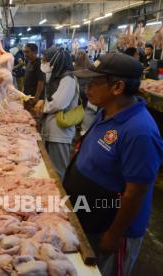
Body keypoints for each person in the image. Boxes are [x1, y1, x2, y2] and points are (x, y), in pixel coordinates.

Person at [64, 53, 163, 276]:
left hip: (110, 227)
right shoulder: (106, 112)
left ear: (118, 87)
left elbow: (135, 193)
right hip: (89, 215)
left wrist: (114, 235)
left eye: (95, 82)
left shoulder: (140, 132)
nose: (87, 88)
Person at [33, 48, 79, 180]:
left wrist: (43, 106)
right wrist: (44, 101)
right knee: (49, 168)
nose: (43, 63)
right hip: (51, 130)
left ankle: (60, 198)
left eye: (45, 60)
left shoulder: (68, 78)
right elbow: (53, 98)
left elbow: (59, 103)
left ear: (56, 61)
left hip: (60, 131)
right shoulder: (56, 77)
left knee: (57, 171)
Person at [74, 50, 97, 133]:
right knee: (83, 108)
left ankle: (76, 124)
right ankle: (79, 125)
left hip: (77, 91)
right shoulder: (90, 66)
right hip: (86, 90)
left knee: (76, 108)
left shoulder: (74, 67)